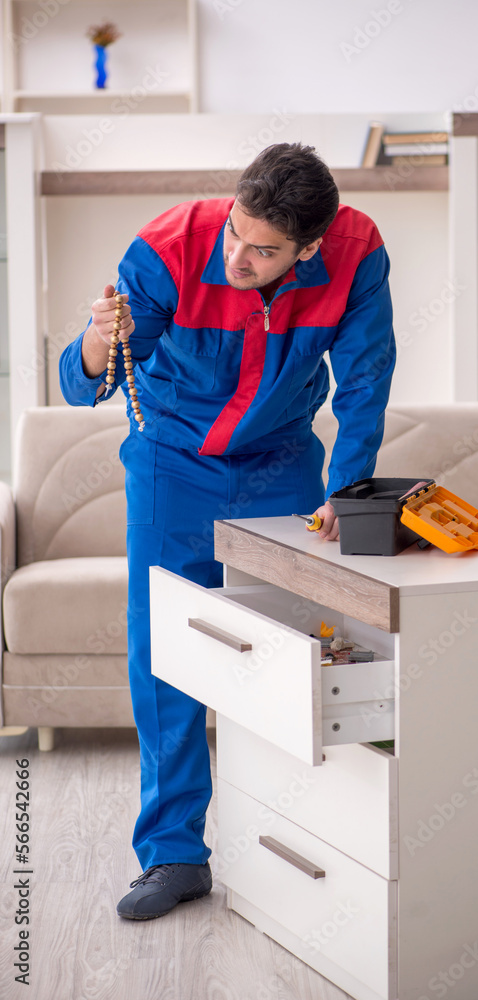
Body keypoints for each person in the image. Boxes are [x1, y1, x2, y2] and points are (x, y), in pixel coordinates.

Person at [59, 142, 396, 920]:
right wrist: (97, 338)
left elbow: (367, 372)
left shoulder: (356, 252)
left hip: (282, 465)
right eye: (237, 235)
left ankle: (298, 837)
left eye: (265, 250)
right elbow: (91, 383)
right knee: (167, 659)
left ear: (310, 246)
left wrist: (348, 484)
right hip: (172, 464)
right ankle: (174, 855)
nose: (240, 257)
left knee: (291, 653)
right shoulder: (169, 247)